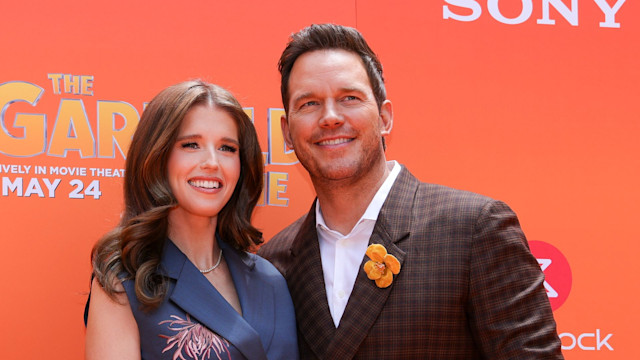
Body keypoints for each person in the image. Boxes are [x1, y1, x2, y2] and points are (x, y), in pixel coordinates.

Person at [258, 24, 563, 359]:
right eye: (309, 103)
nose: (330, 117)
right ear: (287, 132)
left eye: (349, 98)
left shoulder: (474, 229)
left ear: (385, 117)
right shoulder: (273, 262)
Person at [85, 80, 298, 360]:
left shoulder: (270, 280)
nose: (212, 162)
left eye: (227, 148)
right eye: (191, 144)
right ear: (157, 156)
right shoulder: (124, 279)